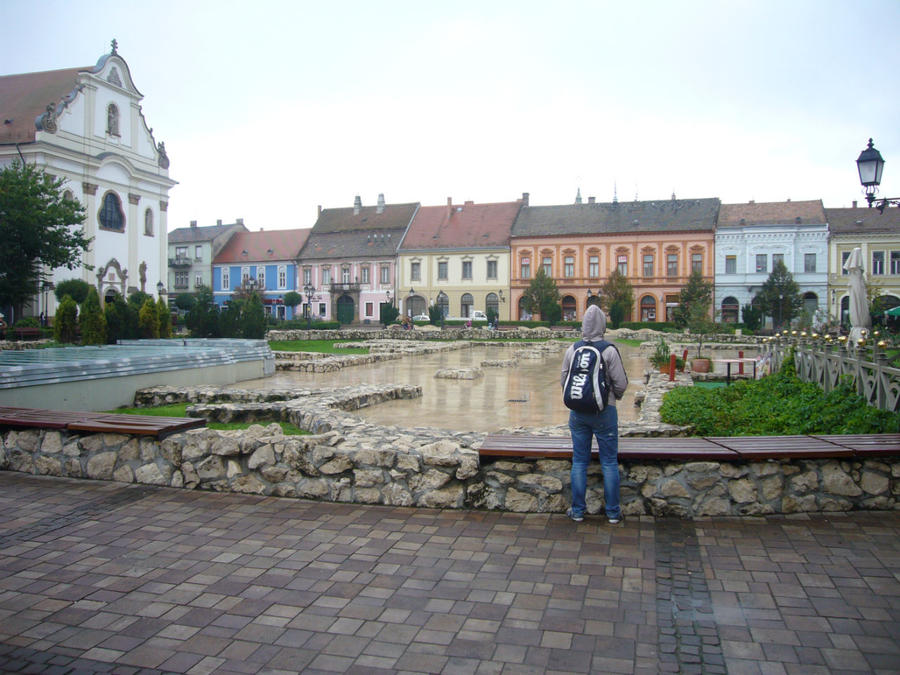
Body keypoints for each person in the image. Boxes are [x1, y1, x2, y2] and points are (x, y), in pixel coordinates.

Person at [560, 304, 628, 524]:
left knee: (579, 461)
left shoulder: (572, 349)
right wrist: (612, 397)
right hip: (604, 412)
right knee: (608, 462)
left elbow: (564, 381)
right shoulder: (608, 350)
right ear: (603, 325)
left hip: (578, 413)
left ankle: (578, 511)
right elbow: (621, 383)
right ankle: (613, 513)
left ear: (583, 325)